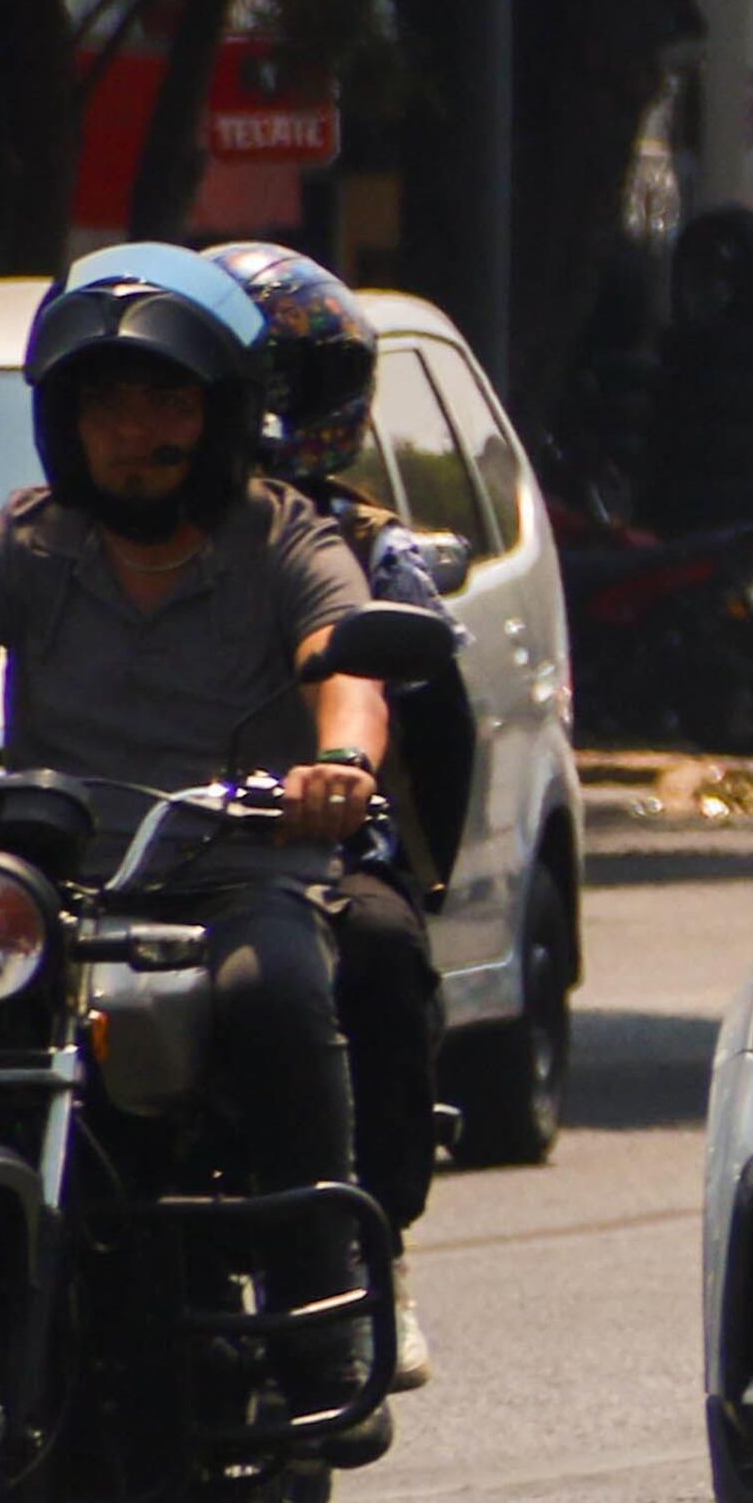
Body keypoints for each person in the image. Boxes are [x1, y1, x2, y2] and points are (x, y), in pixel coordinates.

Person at [0, 244, 396, 1435]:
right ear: (64, 422)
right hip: (52, 891)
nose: (133, 432)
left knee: (276, 992)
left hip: (232, 876)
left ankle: (319, 1307)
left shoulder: (286, 538)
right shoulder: (27, 540)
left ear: (222, 412)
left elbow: (343, 669)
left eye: (165, 401)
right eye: (105, 404)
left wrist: (340, 767)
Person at [207, 242, 466, 1392]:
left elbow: (431, 722)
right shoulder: (67, 535)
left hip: (300, 855)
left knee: (380, 943)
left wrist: (406, 857)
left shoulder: (356, 550)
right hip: (130, 851)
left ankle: (370, 1251)